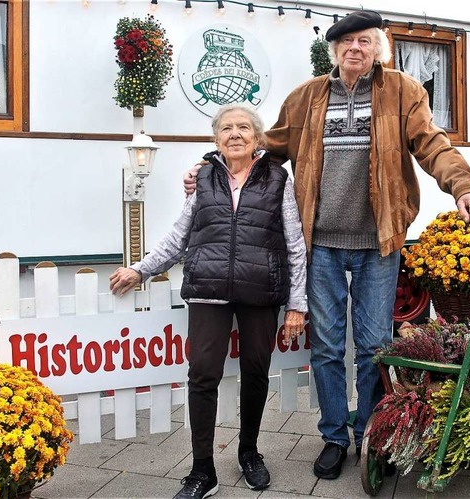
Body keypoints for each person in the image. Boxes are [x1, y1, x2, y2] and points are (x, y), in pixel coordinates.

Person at [183, 10, 470, 481]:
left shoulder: (403, 92)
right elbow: (265, 144)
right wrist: (210, 165)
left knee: (373, 345)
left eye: (365, 41)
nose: (355, 49)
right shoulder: (308, 97)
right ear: (335, 51)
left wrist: (464, 186)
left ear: (378, 48)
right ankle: (333, 437)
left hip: (378, 242)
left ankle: (370, 432)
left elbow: (432, 144)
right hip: (320, 244)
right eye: (347, 42)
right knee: (326, 347)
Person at [110, 104, 307, 499]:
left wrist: (297, 304)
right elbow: (179, 234)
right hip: (207, 289)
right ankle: (203, 470)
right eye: (227, 129)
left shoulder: (277, 178)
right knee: (202, 374)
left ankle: (249, 452)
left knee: (255, 372)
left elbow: (294, 242)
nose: (235, 134)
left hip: (260, 289)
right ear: (216, 139)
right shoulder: (203, 178)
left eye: (244, 128)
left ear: (257, 138)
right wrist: (141, 269)